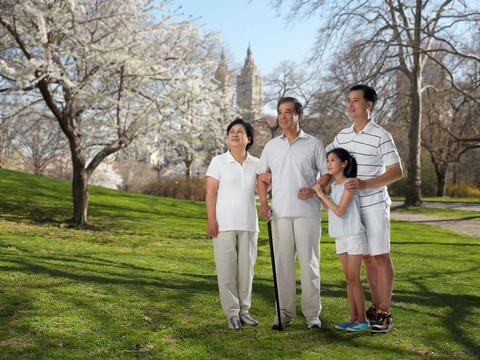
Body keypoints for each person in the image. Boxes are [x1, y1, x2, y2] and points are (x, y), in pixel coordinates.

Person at [326, 84, 403, 334]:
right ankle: (374, 306)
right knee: (368, 258)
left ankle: (385, 312)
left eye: (356, 100)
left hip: (375, 205)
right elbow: (331, 164)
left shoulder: (382, 135)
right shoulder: (343, 136)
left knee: (380, 256)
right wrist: (318, 185)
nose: (350, 105)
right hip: (353, 210)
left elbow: (396, 172)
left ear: (369, 105)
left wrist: (365, 184)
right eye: (348, 100)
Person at [257, 97, 330, 330]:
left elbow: (327, 174)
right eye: (280, 112)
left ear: (299, 115)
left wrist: (313, 190)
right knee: (283, 264)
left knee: (310, 264)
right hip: (279, 214)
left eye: (288, 111)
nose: (283, 116)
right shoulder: (271, 146)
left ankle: (312, 316)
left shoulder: (314, 144)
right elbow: (261, 178)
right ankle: (284, 313)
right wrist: (263, 203)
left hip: (308, 213)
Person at [206, 118, 263, 330]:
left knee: (246, 271)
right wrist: (212, 219)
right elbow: (210, 192)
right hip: (224, 224)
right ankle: (231, 312)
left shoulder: (257, 163)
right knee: (226, 271)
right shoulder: (218, 161)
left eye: (240, 131)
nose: (235, 134)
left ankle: (244, 311)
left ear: (248, 138)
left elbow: (262, 190)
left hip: (249, 223)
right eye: (231, 131)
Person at [313, 148, 369, 332]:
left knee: (354, 278)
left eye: (333, 160)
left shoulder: (349, 185)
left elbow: (340, 211)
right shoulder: (334, 187)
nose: (329, 164)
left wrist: (321, 195)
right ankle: (353, 319)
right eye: (328, 160)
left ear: (344, 163)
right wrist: (323, 195)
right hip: (341, 236)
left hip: (353, 235)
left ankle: (363, 319)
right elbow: (332, 213)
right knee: (348, 279)